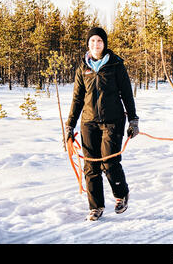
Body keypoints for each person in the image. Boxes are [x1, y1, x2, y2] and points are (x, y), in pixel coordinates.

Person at [65, 27, 140, 221]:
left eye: (99, 41)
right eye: (92, 41)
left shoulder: (115, 64)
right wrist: (69, 125)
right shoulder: (83, 67)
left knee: (109, 161)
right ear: (88, 44)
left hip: (113, 121)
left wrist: (133, 119)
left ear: (104, 44)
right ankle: (96, 207)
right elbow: (77, 99)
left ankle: (121, 194)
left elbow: (126, 94)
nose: (96, 45)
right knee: (90, 167)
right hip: (89, 122)